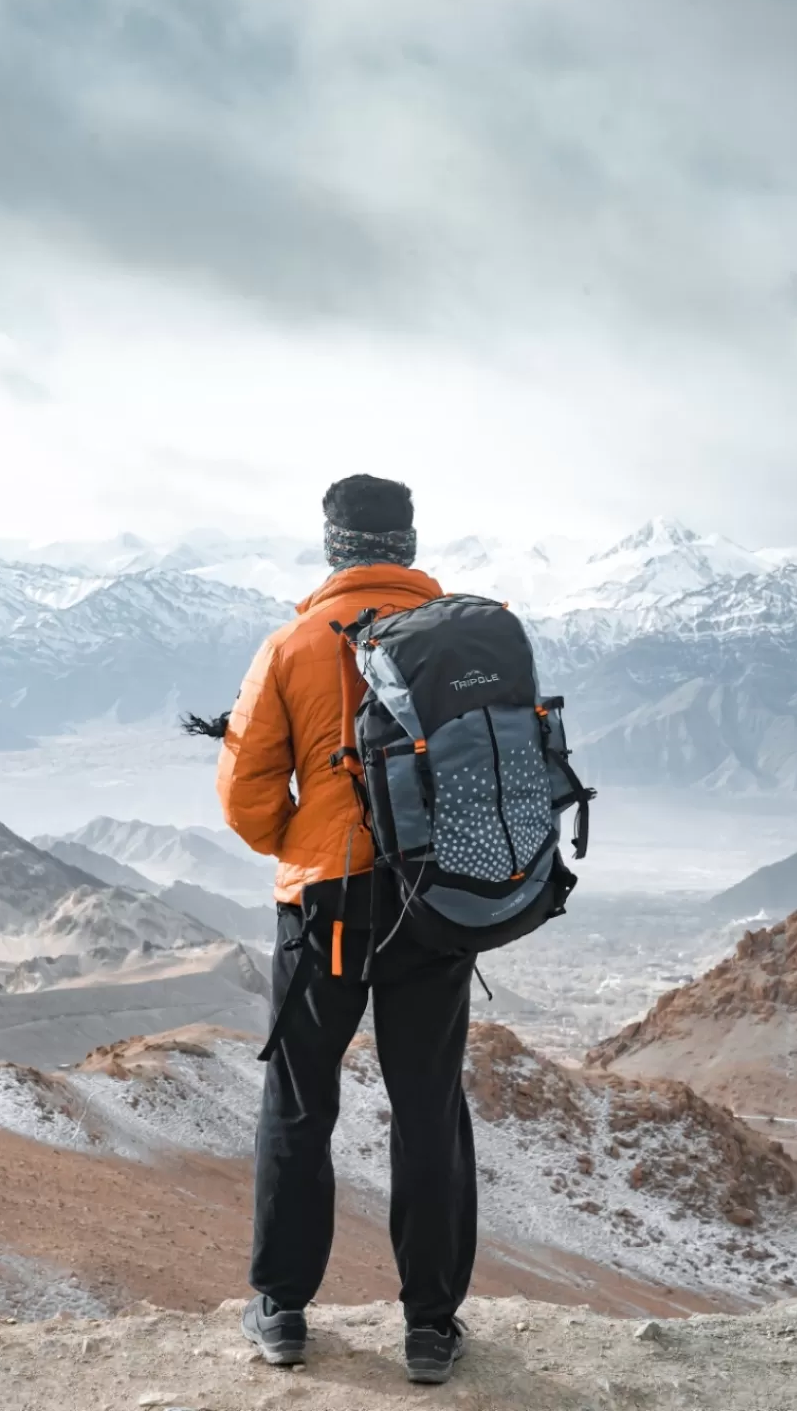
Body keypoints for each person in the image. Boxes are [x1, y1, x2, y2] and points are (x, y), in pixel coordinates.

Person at [216, 474, 475, 1385]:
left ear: (333, 546)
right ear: (407, 543)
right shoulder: (466, 637)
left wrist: (311, 840)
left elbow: (247, 799)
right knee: (428, 1106)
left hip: (326, 905)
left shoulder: (290, 643)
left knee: (300, 1099)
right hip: (437, 904)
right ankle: (431, 1329)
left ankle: (283, 1312)